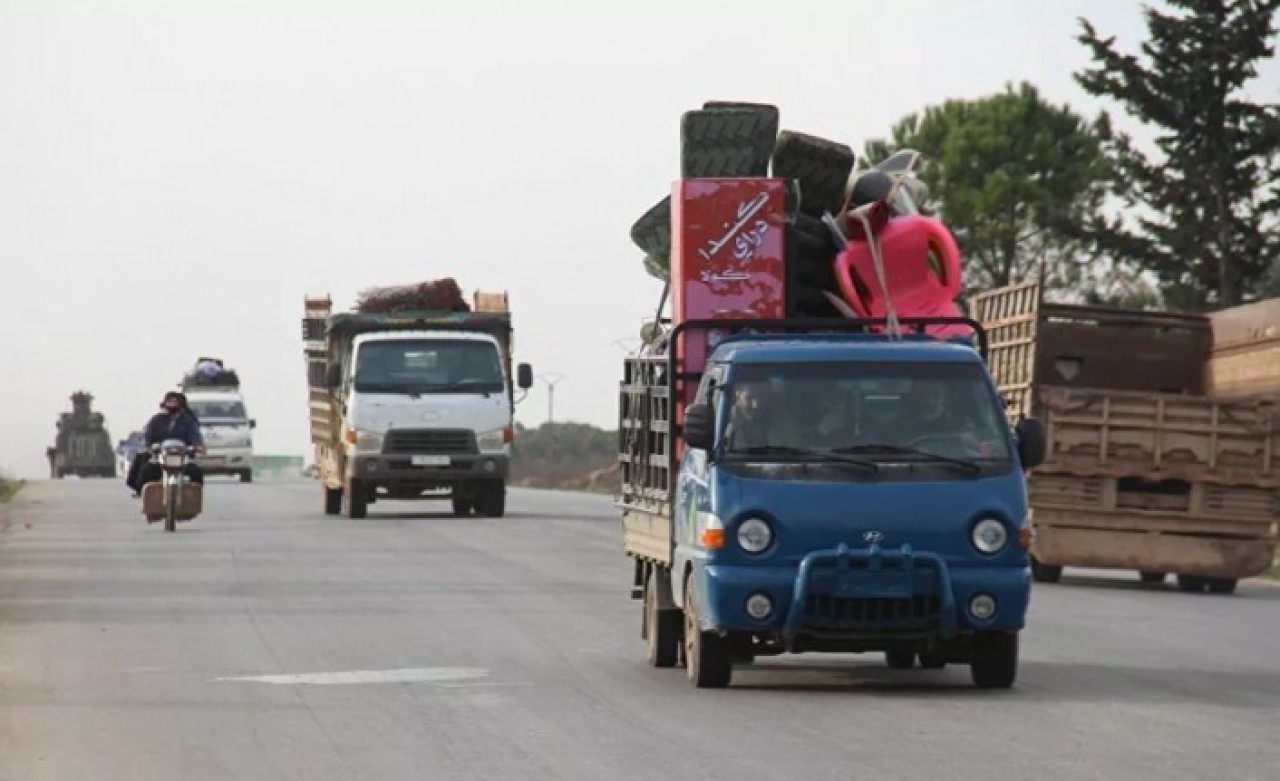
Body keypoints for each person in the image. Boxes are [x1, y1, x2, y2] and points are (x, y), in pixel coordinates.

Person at [125, 392, 206, 495]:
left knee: (196, 472)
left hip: (183, 457)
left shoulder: (188, 421)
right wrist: (149, 445)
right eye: (169, 401)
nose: (172, 404)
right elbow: (148, 436)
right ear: (164, 404)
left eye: (175, 402)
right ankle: (143, 493)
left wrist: (197, 446)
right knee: (147, 470)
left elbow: (195, 437)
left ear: (181, 404)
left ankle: (195, 496)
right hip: (160, 456)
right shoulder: (156, 420)